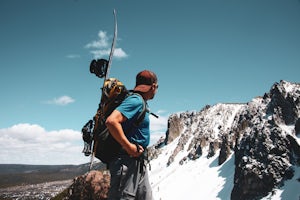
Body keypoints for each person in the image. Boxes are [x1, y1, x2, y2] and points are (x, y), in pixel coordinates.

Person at [105, 70, 158, 200]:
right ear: (153, 86)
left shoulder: (140, 101)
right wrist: (129, 147)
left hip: (137, 163)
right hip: (126, 162)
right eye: (156, 87)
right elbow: (111, 121)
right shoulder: (136, 101)